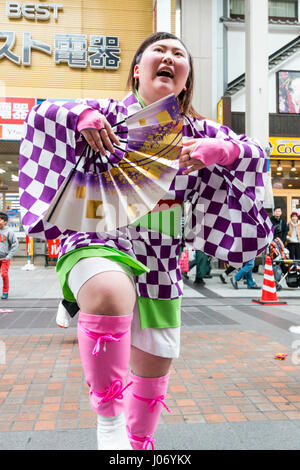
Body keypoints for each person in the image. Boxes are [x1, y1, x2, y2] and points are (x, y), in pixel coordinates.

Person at [19, 32, 273, 450]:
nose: (170, 57)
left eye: (179, 54)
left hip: (162, 251)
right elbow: (43, 112)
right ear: (138, 69)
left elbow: (257, 152)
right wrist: (80, 117)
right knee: (106, 292)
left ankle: (137, 447)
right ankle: (108, 423)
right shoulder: (105, 112)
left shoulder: (201, 130)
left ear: (186, 79)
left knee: (153, 374)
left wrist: (222, 150)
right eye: (160, 51)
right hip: (98, 230)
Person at [0, 212, 18, 300]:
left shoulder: (9, 232)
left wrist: (9, 256)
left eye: (0, 220)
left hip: (4, 258)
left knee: (4, 274)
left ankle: (5, 292)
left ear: (5, 222)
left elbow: (15, 244)